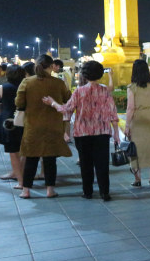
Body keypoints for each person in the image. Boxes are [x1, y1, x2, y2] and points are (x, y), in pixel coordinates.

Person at [44, 60, 120, 201]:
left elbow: (66, 109)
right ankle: (105, 192)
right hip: (102, 133)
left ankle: (88, 192)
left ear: (84, 75)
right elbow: (113, 113)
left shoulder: (80, 91)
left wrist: (52, 103)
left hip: (82, 133)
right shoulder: (105, 90)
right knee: (102, 164)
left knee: (86, 164)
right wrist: (116, 133)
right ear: (100, 74)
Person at [15, 54, 72, 198]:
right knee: (50, 159)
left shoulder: (27, 82)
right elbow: (68, 100)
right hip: (53, 126)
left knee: (31, 158)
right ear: (52, 66)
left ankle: (26, 190)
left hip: (33, 126)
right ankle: (50, 190)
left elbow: (19, 104)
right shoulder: (58, 83)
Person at [125, 59, 150, 186]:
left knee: (136, 150)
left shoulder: (131, 88)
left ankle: (137, 179)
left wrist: (127, 125)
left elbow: (130, 108)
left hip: (138, 120)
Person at [0, 65, 26, 181]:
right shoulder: (26, 86)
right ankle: (19, 175)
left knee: (13, 151)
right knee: (24, 149)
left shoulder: (3, 87)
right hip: (24, 120)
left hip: (8, 122)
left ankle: (20, 181)